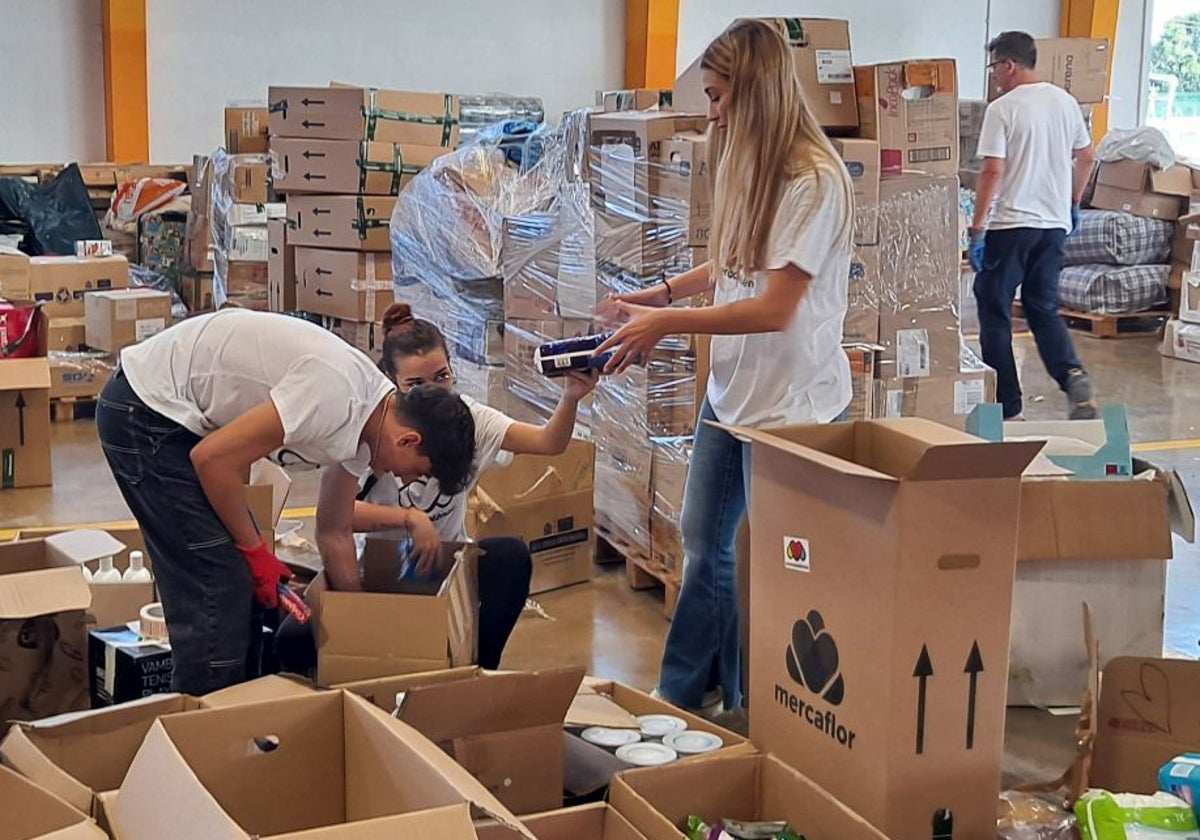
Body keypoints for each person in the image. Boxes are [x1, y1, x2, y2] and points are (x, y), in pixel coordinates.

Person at [595, 19, 854, 714]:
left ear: (756, 90)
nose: (711, 112)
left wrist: (667, 324)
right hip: (733, 392)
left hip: (791, 410)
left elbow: (775, 307)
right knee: (705, 546)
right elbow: (737, 260)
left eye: (717, 96)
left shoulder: (814, 181)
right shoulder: (749, 162)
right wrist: (660, 294)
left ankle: (764, 702)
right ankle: (686, 694)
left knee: (776, 566)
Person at [95, 308, 476, 694]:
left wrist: (361, 626)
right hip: (145, 411)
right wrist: (253, 549)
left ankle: (236, 714)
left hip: (185, 422)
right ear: (409, 441)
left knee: (240, 586)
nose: (407, 480)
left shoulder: (371, 428)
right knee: (216, 585)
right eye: (418, 471)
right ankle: (200, 733)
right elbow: (212, 460)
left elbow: (334, 530)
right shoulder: (334, 396)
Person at [277, 302, 597, 672]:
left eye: (441, 377)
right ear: (391, 383)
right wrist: (409, 517)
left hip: (443, 570)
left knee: (509, 557)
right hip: (378, 571)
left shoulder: (466, 420)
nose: (433, 391)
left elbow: (548, 443)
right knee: (293, 639)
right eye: (415, 384)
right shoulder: (371, 431)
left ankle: (475, 673)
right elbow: (335, 519)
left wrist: (572, 395)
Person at [970, 30, 1099, 421]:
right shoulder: (1065, 102)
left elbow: (992, 170)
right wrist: (1073, 203)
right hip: (1054, 225)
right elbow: (1088, 157)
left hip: (1012, 225)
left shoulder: (1003, 108)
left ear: (1009, 65)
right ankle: (1072, 375)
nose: (993, 75)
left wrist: (977, 229)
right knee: (1042, 307)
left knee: (994, 310)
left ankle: (1006, 406)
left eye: (994, 67)